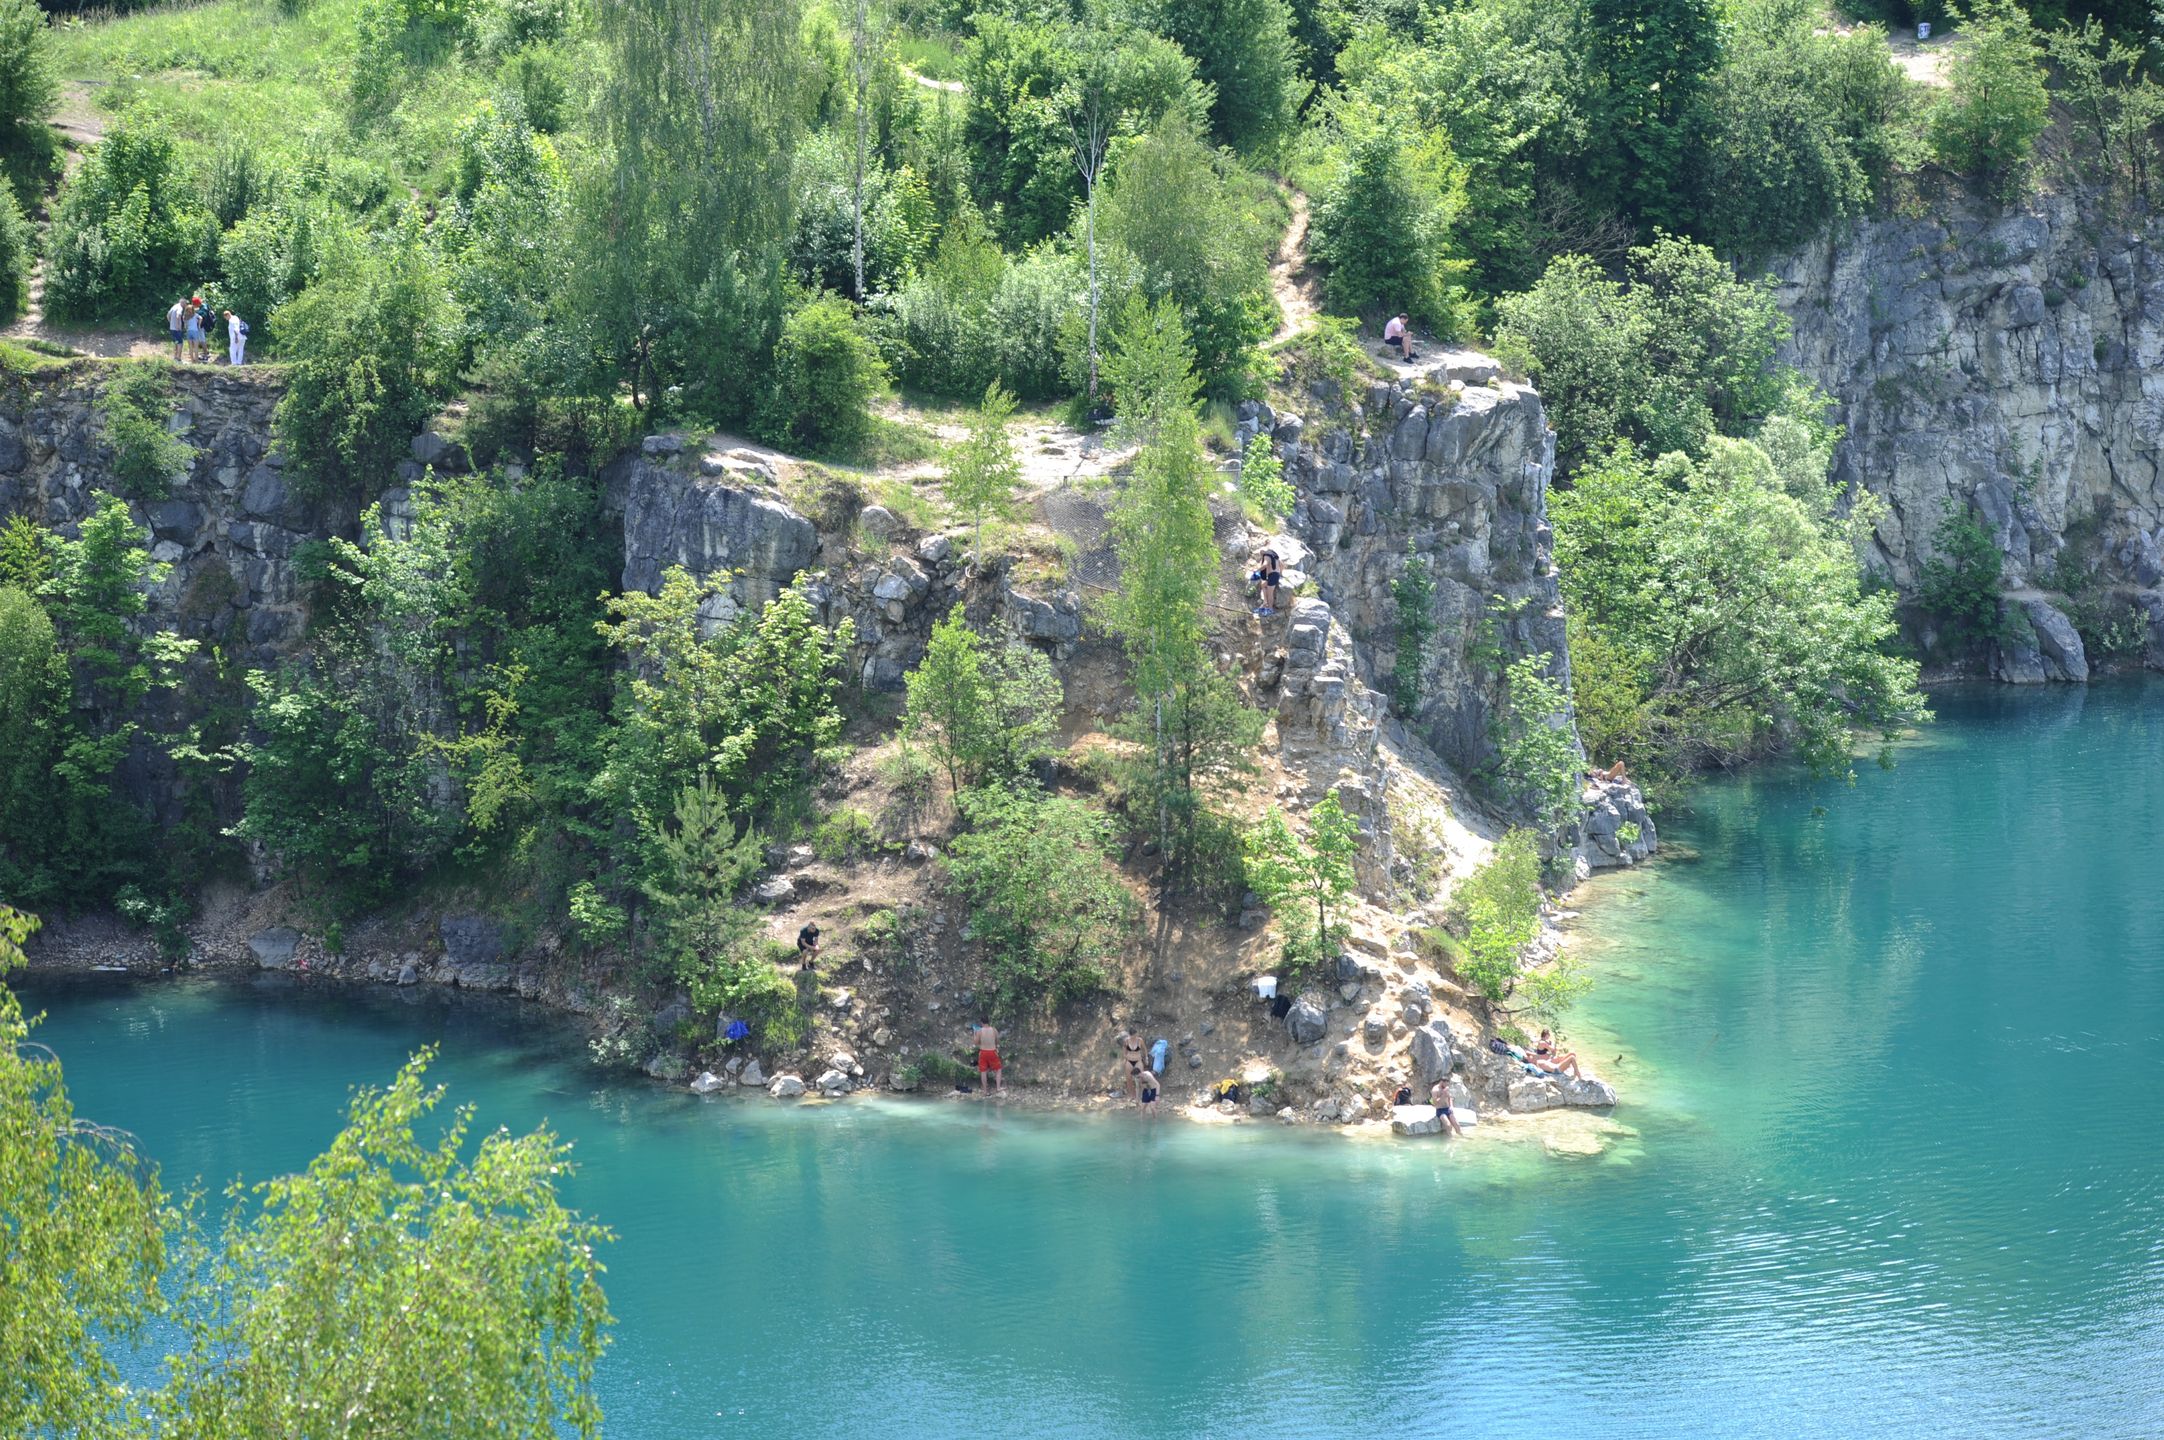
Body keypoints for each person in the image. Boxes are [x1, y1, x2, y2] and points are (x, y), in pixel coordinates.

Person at [1249, 548, 1283, 618]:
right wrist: (1280, 573)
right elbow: (1282, 565)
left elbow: (1265, 565)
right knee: (1263, 585)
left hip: (1273, 575)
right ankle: (1265, 603)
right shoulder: (1274, 556)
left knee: (1270, 593)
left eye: (1261, 554)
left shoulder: (1266, 555)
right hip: (1274, 575)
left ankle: (1270, 609)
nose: (1261, 555)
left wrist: (1256, 571)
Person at [973, 1020, 1002, 1095]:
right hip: (992, 1052)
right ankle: (998, 1088)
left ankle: (985, 1091)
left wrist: (974, 1033)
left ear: (981, 1022)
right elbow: (998, 1041)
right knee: (998, 1070)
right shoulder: (994, 1030)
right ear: (988, 1022)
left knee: (983, 1072)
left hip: (983, 1052)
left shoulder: (979, 1031)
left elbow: (976, 1043)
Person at [1117, 1027, 1146, 1102]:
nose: (1135, 1037)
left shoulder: (1140, 1040)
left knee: (1141, 1077)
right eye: (1134, 1035)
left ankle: (1142, 1095)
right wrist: (1125, 1057)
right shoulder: (1126, 1041)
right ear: (1130, 1035)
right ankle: (1132, 1095)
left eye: (1136, 1035)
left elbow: (1144, 1049)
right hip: (1129, 1060)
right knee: (1129, 1078)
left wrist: (1146, 1058)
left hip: (1138, 1060)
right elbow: (1124, 1050)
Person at [184, 299, 207, 364]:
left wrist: (186, 328)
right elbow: (201, 318)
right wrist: (199, 325)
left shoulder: (185, 316)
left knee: (190, 347)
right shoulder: (195, 315)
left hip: (189, 332)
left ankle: (192, 360)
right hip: (195, 331)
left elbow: (185, 325)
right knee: (196, 347)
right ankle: (196, 360)